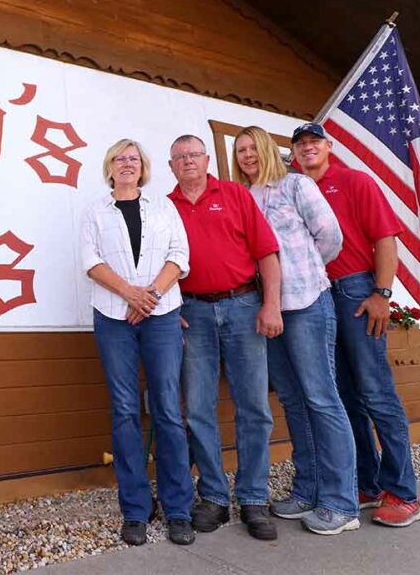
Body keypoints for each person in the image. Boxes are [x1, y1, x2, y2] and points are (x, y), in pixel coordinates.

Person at [292, 121, 420, 527]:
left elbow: (386, 239)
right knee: (344, 393)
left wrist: (382, 294)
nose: (308, 147)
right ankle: (366, 482)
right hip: (316, 293)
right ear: (293, 152)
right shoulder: (295, 189)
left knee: (376, 392)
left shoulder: (355, 182)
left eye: (315, 141)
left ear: (329, 146)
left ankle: (404, 494)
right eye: (301, 144)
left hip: (355, 290)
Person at [232, 125, 359, 535]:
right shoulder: (243, 198)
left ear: (268, 149)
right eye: (240, 150)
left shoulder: (296, 185)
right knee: (293, 399)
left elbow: (330, 236)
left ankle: (342, 502)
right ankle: (309, 488)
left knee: (322, 397)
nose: (248, 155)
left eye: (253, 147)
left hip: (306, 302)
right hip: (267, 311)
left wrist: (303, 271)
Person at [80, 138, 196, 547]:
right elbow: (90, 261)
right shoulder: (96, 211)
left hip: (161, 316)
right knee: (125, 409)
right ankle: (135, 507)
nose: (127, 164)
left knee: (166, 407)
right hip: (114, 319)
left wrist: (149, 297)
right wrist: (130, 294)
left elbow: (180, 256)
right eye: (120, 159)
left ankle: (178, 507)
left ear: (143, 167)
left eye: (134, 159)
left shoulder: (163, 207)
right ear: (109, 166)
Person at [167, 134, 282, 541]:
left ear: (206, 159)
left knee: (254, 406)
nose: (187, 162)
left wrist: (271, 305)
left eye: (194, 154)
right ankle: (213, 495)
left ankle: (253, 497)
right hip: (192, 312)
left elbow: (267, 252)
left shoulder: (234, 194)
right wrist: (170, 310)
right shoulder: (165, 207)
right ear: (170, 166)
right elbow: (154, 263)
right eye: (179, 157)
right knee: (198, 406)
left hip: (243, 306)